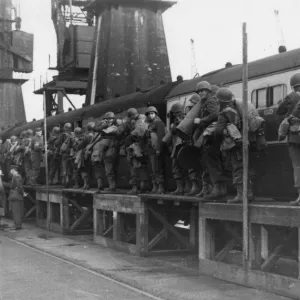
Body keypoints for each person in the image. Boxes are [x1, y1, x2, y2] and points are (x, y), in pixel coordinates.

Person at [192, 81, 220, 198]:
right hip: (205, 134)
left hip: (211, 135)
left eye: (203, 91)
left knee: (211, 162)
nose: (201, 93)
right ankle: (206, 188)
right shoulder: (203, 103)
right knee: (205, 162)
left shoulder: (211, 101)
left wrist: (201, 121)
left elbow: (215, 115)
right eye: (200, 91)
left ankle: (216, 189)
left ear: (208, 91)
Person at [277, 73, 300, 205]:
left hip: (295, 136)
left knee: (297, 165)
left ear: (292, 86)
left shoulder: (290, 97)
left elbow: (279, 111)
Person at [92, 112, 124, 192]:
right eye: (107, 119)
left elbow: (118, 133)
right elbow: (96, 129)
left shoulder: (117, 127)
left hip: (112, 151)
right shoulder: (106, 127)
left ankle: (112, 186)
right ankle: (112, 186)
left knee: (110, 169)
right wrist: (104, 125)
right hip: (110, 150)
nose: (109, 120)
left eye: (111, 119)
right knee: (110, 169)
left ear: (114, 119)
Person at [163, 102, 187, 195]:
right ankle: (179, 188)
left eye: (178, 113)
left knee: (184, 167)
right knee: (175, 167)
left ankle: (186, 188)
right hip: (175, 147)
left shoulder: (185, 119)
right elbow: (171, 133)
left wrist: (180, 123)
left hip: (183, 146)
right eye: (175, 113)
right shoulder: (174, 122)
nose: (176, 115)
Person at [124, 108, 148, 194]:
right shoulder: (139, 119)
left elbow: (140, 131)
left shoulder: (140, 119)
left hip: (137, 147)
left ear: (131, 116)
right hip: (139, 147)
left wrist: (130, 136)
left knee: (135, 168)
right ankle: (142, 186)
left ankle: (136, 188)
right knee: (140, 168)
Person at [145, 106, 166, 194]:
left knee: (157, 168)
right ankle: (155, 186)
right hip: (150, 149)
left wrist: (158, 149)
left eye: (152, 113)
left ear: (155, 114)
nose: (150, 115)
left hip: (156, 149)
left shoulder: (159, 123)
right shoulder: (150, 124)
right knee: (153, 169)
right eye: (149, 114)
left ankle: (160, 187)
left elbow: (161, 136)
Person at [55, 123, 73, 187]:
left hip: (64, 153)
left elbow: (56, 143)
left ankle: (66, 181)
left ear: (65, 128)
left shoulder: (63, 135)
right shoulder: (72, 134)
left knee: (64, 167)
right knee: (69, 167)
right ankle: (70, 181)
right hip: (71, 153)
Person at [8, 165, 25, 230]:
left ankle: (18, 225)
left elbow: (20, 186)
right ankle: (17, 225)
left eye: (10, 170)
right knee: (15, 211)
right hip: (16, 195)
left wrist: (22, 193)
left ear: (13, 170)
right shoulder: (15, 176)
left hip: (16, 196)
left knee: (16, 211)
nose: (10, 171)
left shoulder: (17, 176)